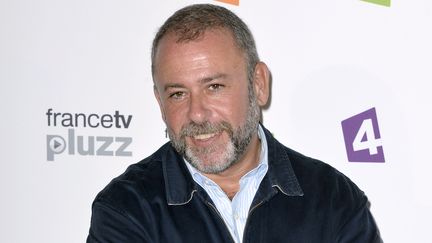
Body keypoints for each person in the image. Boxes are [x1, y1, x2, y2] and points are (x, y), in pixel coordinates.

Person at [87, 4, 382, 243]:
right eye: (178, 94)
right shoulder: (126, 208)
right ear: (160, 103)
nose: (197, 114)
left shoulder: (333, 199)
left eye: (214, 87)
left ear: (259, 84)